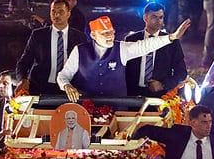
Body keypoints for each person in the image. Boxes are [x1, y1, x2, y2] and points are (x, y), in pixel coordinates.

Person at [57, 16, 191, 102]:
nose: (110, 36)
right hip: (86, 106)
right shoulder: (79, 50)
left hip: (118, 108)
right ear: (93, 35)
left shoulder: (121, 48)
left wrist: (171, 37)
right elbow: (63, 75)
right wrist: (66, 85)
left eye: (112, 31)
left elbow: (145, 45)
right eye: (105, 33)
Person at [15, 0, 87, 95]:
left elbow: (85, 64)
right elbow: (24, 61)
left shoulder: (79, 37)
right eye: (53, 11)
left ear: (68, 14)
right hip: (40, 87)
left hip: (70, 88)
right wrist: (22, 80)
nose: (56, 15)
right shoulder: (38, 35)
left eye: (61, 11)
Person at [125, 2, 187, 97]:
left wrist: (163, 85)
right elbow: (124, 70)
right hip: (133, 94)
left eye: (161, 17)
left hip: (160, 96)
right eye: (154, 17)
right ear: (145, 18)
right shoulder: (132, 39)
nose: (158, 21)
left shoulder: (171, 42)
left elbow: (181, 73)